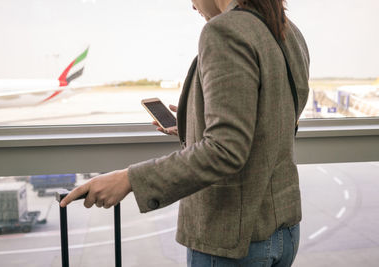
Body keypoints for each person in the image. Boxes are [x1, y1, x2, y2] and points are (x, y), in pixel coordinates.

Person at [60, 0, 310, 266]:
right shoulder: (286, 29)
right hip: (284, 231)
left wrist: (129, 179)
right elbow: (278, 115)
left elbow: (225, 151)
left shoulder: (226, 30)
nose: (192, 6)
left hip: (234, 240)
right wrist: (199, 121)